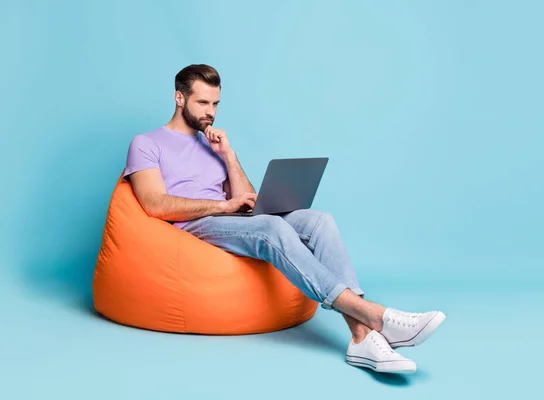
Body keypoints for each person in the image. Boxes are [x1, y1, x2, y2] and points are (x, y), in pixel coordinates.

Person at [123, 64, 446, 374]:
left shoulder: (210, 144)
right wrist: (223, 206)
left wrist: (229, 156)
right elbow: (155, 205)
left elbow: (249, 199)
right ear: (180, 98)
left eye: (216, 103)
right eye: (202, 102)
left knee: (318, 220)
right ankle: (373, 315)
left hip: (230, 218)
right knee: (272, 226)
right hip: (192, 226)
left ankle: (362, 337)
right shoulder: (147, 143)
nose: (210, 111)